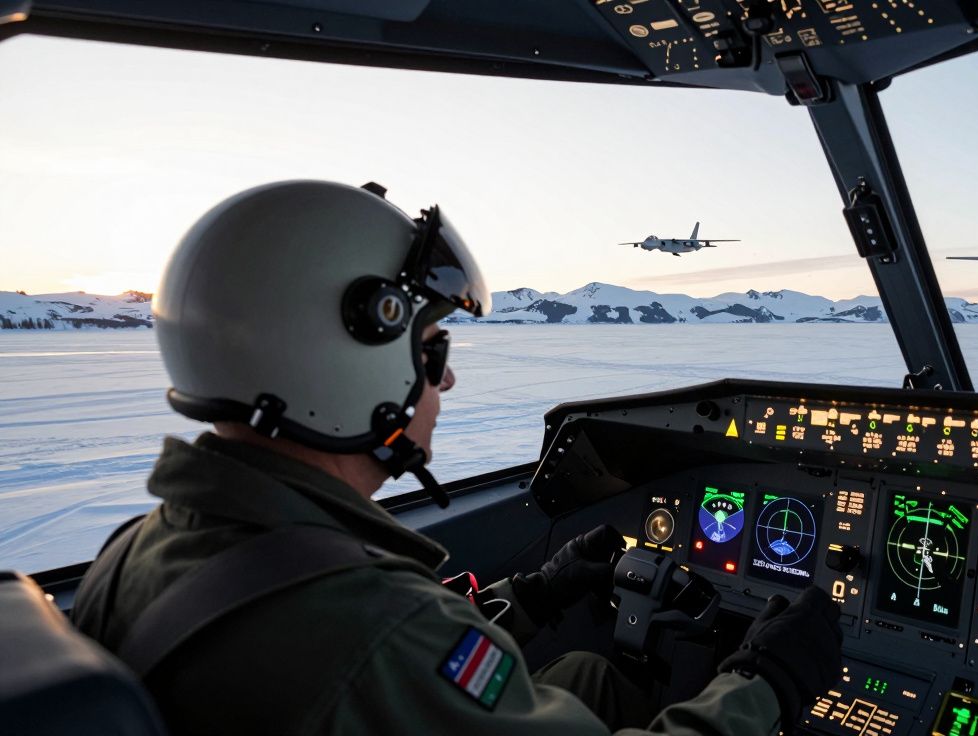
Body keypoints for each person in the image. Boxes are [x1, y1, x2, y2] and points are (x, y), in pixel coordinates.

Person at [72, 180, 843, 735]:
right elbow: (386, 651)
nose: (445, 380)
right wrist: (763, 683)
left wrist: (536, 592)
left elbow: (396, 661)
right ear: (347, 363)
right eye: (431, 353)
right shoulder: (377, 627)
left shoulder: (141, 546)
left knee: (587, 679)